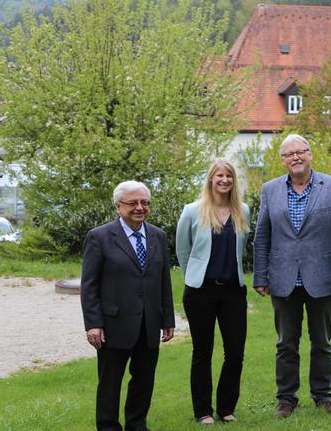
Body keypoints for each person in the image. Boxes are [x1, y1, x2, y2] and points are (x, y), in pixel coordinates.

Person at [253, 134, 331, 418]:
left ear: (310, 155)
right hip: (283, 279)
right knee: (286, 344)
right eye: (289, 154)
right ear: (282, 160)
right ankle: (286, 399)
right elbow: (262, 237)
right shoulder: (270, 190)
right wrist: (260, 276)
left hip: (322, 278)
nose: (295, 157)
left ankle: (323, 396)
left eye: (301, 152)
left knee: (321, 342)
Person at [81, 181, 175, 431]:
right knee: (110, 382)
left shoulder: (157, 235)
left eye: (144, 202)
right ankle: (108, 426)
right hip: (113, 324)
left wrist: (167, 319)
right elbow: (89, 285)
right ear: (118, 206)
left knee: (144, 381)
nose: (139, 207)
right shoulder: (99, 237)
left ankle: (137, 424)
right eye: (132, 203)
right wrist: (93, 324)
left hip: (149, 323)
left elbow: (163, 280)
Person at [176, 158, 250, 425]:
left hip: (233, 292)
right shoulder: (193, 211)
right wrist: (194, 277)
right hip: (200, 293)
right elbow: (182, 250)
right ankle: (203, 411)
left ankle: (226, 408)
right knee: (202, 352)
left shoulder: (243, 210)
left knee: (235, 353)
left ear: (233, 181)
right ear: (211, 179)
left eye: (228, 176)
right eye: (219, 176)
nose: (224, 180)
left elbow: (241, 251)